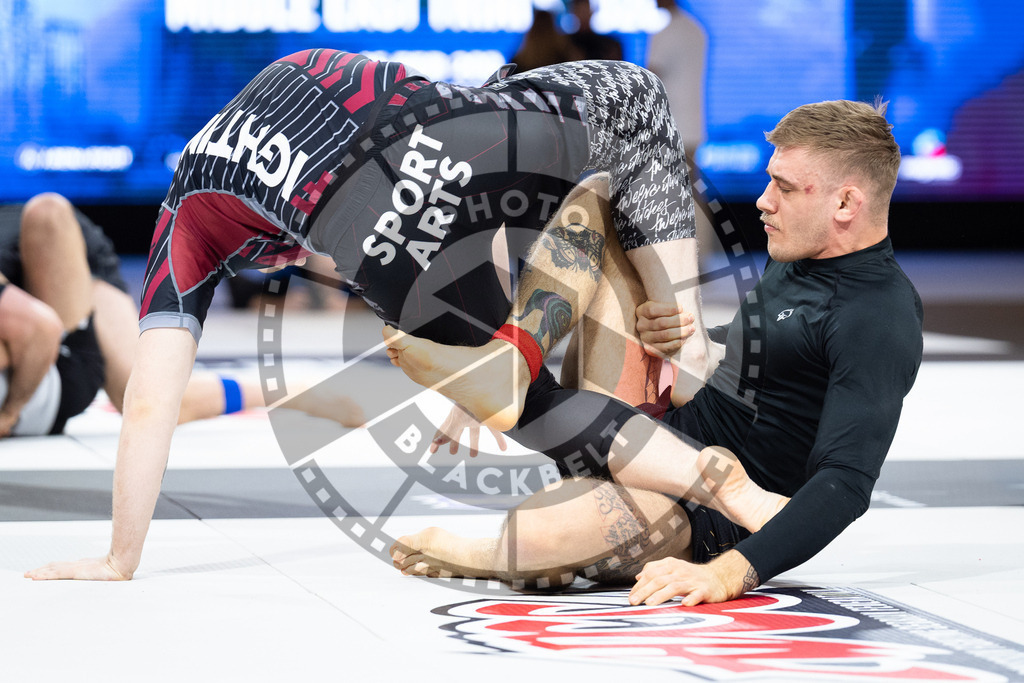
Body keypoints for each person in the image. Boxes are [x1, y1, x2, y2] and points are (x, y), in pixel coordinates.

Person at [25, 49, 720, 581]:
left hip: (386, 214)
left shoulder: (185, 220)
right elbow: (481, 202)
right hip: (446, 140)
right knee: (635, 101)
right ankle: (678, 363)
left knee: (533, 403)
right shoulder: (292, 79)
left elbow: (149, 402)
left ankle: (683, 448)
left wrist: (120, 556)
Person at [388, 99, 924, 607]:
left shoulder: (878, 314)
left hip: (710, 515)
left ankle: (493, 531)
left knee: (535, 534)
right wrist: (689, 334)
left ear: (846, 203)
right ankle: (510, 363)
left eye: (783, 187)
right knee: (601, 196)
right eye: (769, 181)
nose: (764, 200)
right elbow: (781, 346)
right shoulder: (799, 251)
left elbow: (845, 483)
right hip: (668, 434)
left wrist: (728, 572)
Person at [0, 193, 364, 437]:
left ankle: (294, 391)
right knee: (153, 405)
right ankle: (292, 393)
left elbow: (42, 328)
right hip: (25, 277)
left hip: (56, 241)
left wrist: (10, 413)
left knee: (146, 397)